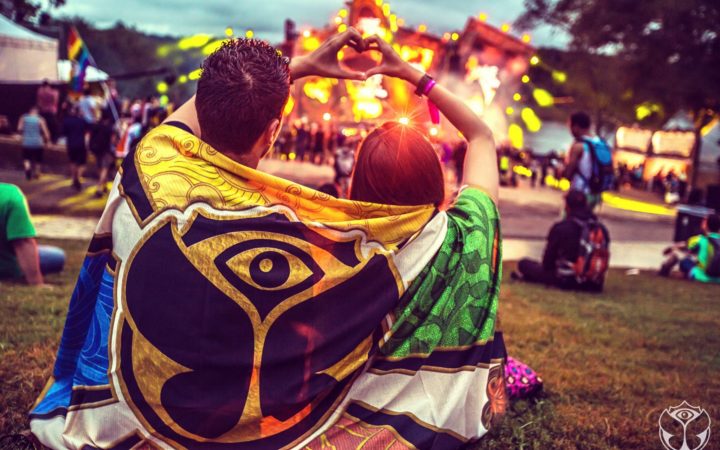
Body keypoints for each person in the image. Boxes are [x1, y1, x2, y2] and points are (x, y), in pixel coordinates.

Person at [30, 33, 504, 450]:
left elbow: (191, 118)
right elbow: (482, 136)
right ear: (274, 130)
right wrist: (409, 74)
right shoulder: (442, 242)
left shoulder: (153, 171)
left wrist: (289, 72)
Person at [513, 190, 610, 291]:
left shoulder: (561, 227)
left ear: (567, 206)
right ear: (586, 204)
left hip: (566, 280)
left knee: (524, 264)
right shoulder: (600, 229)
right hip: (593, 283)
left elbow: (548, 263)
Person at [0, 183, 65, 284]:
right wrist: (36, 282)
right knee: (58, 256)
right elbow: (24, 243)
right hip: (7, 266)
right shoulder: (10, 195)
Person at [659, 213, 720, 283]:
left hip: (700, 277)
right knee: (696, 259)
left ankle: (664, 271)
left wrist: (671, 248)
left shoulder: (700, 239)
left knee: (680, 256)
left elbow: (682, 246)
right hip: (718, 280)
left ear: (705, 224)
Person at [564, 111, 603, 210]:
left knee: (568, 223)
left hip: (579, 194)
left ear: (576, 126)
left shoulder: (578, 146)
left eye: (570, 125)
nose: (569, 130)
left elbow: (568, 174)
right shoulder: (598, 143)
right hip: (595, 194)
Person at [18, 106, 50, 180]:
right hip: (38, 142)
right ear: (37, 112)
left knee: (26, 158)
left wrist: (22, 135)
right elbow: (46, 132)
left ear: (30, 111)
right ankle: (37, 173)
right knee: (38, 159)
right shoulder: (40, 119)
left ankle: (27, 168)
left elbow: (19, 128)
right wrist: (48, 140)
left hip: (26, 142)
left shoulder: (23, 118)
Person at [62, 105, 88, 190]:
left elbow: (63, 132)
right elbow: (89, 128)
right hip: (81, 144)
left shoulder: (66, 121)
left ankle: (74, 179)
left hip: (70, 144)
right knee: (82, 163)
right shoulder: (82, 121)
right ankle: (78, 177)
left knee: (72, 162)